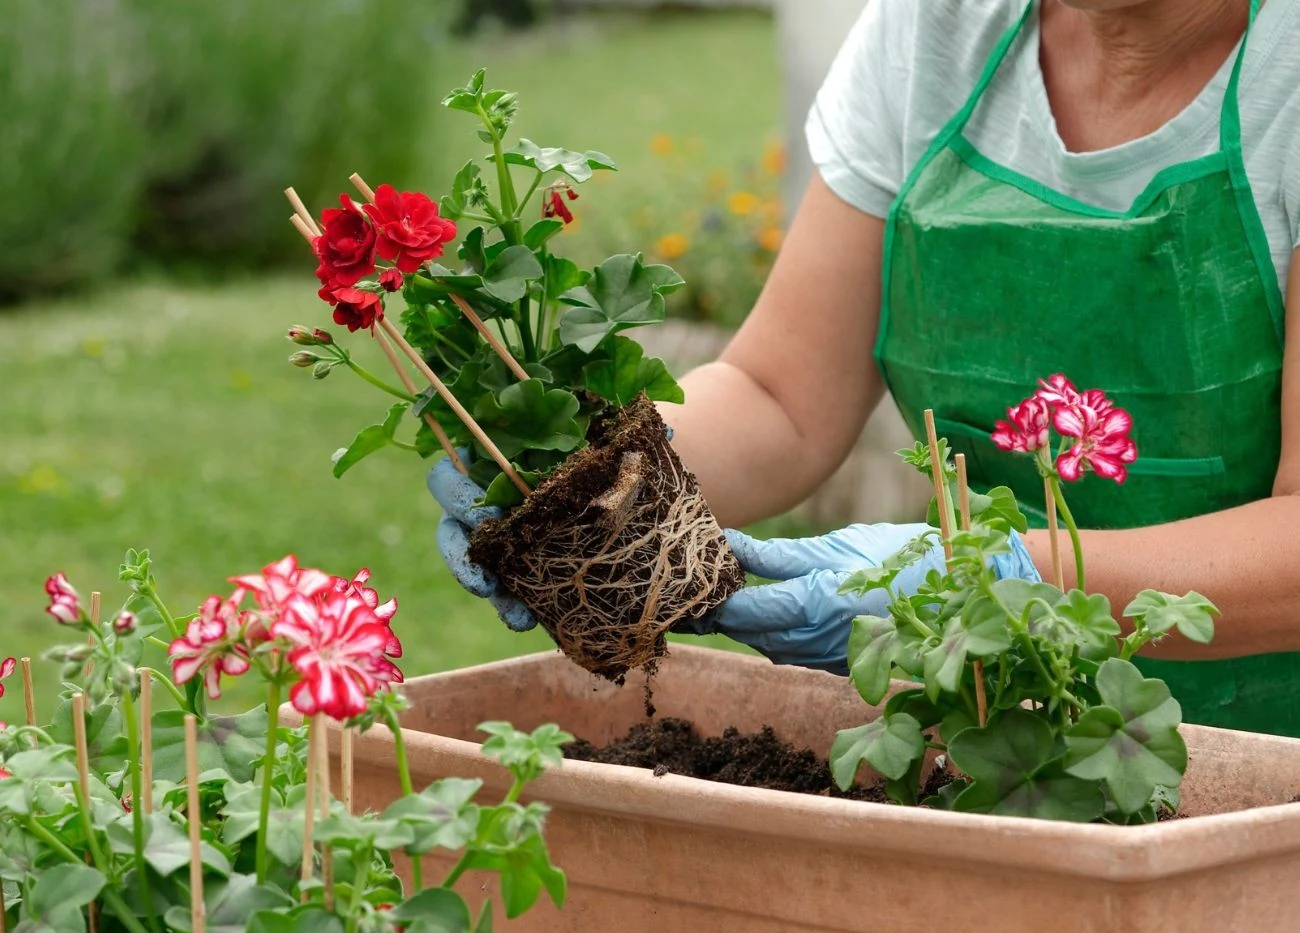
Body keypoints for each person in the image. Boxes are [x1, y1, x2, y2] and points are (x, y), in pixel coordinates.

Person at [432, 0, 1300, 737]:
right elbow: (781, 398)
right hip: (998, 737)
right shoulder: (940, 28)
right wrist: (582, 476)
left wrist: (1006, 581)